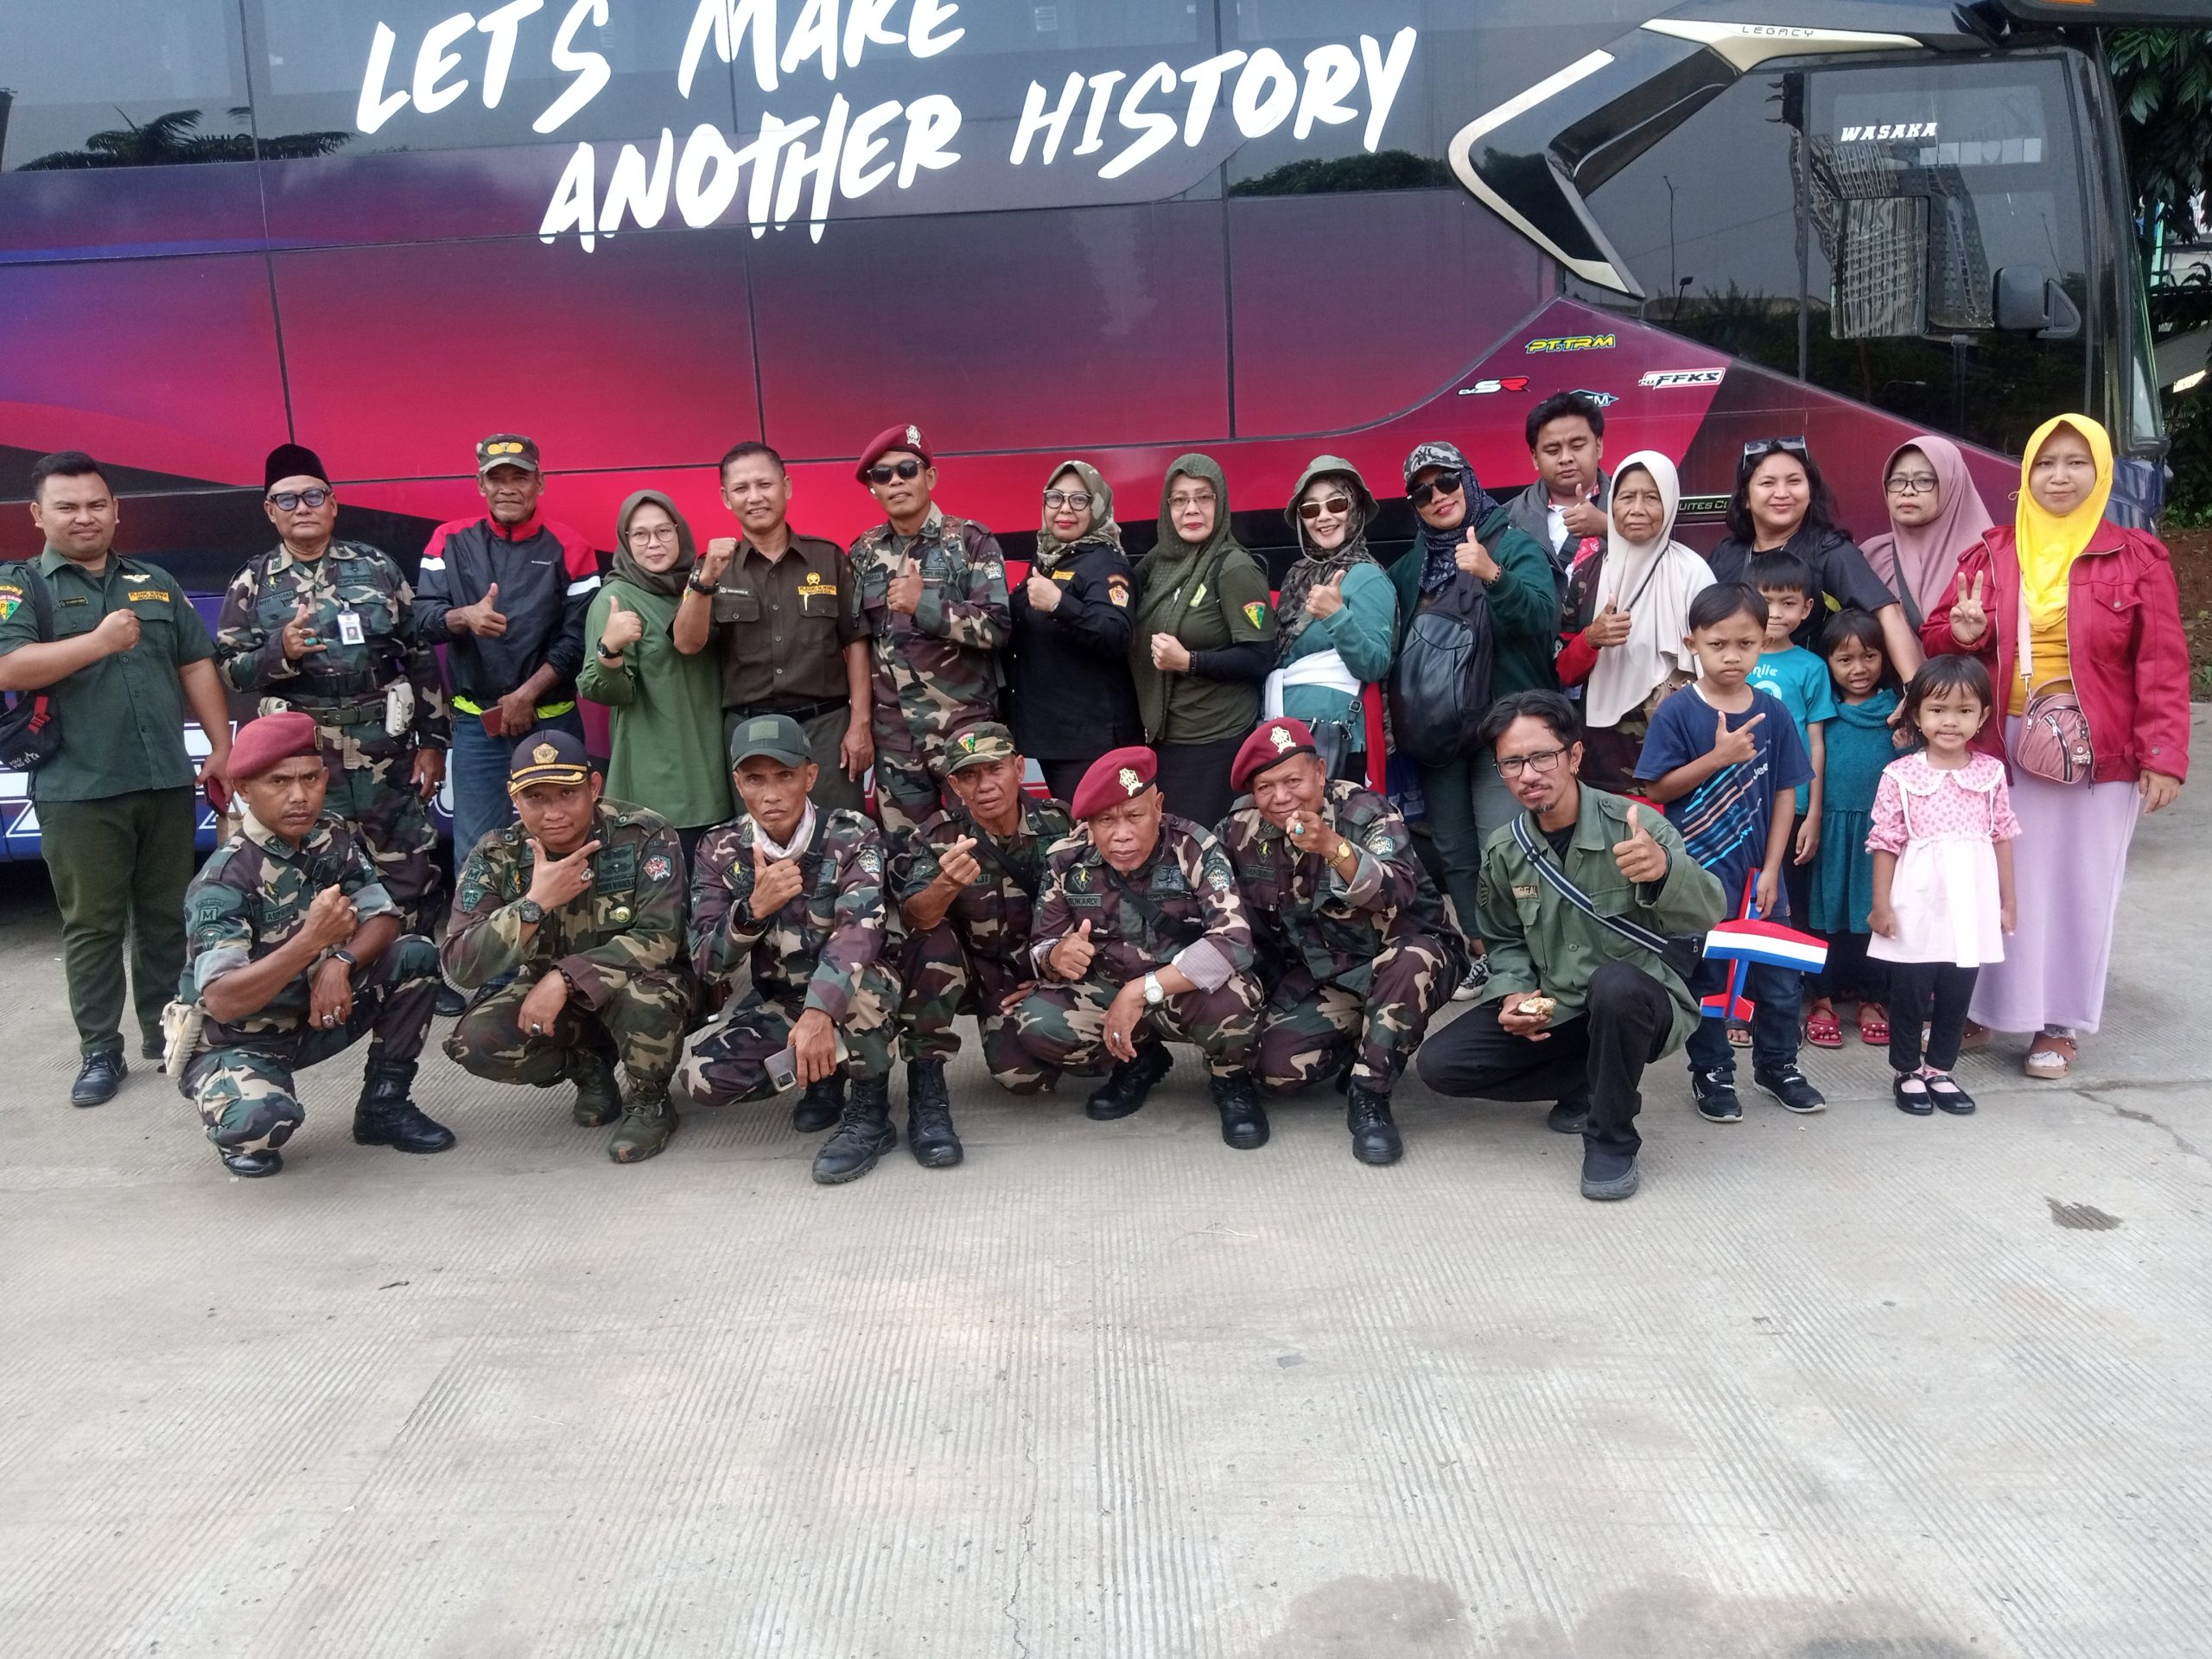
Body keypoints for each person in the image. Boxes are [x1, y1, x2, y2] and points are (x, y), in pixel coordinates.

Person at [1922, 413, 2190, 1079]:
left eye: (2076, 463)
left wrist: (2163, 754)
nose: (2060, 476)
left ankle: (2059, 1023)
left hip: (2096, 753)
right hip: (2000, 743)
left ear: (2101, 473)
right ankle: (1980, 1006)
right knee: (1991, 881)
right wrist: (1963, 632)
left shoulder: (2136, 557)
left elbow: (2162, 662)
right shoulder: (1990, 553)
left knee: (2077, 887)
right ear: (2026, 476)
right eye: (2046, 463)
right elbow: (1937, 639)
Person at [1415, 691, 1726, 1202]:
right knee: (1442, 1065)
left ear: (1575, 756)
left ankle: (1611, 1139)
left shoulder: (1635, 826)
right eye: (1512, 762)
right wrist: (1512, 994)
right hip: (1560, 1006)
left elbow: (1708, 911)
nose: (1528, 774)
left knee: (1616, 985)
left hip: (1642, 1005)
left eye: (1542, 757)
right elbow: (1505, 939)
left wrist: (1667, 871)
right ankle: (1590, 1081)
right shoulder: (1506, 849)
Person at [0, 450, 234, 1106]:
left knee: (165, 917)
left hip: (161, 780)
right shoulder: (21, 586)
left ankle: (167, 1036)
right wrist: (100, 641)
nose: (85, 517)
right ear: (38, 515)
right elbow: (10, 667)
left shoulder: (153, 581)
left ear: (116, 510)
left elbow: (195, 664)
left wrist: (219, 747)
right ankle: (100, 1051)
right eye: (68, 506)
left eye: (97, 504)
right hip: (78, 788)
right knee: (93, 924)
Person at [174, 712, 453, 1178]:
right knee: (261, 1128)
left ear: (325, 778)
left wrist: (340, 962)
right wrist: (310, 944)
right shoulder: (224, 880)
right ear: (244, 788)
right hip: (242, 1039)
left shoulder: (330, 835)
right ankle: (239, 1101)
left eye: (309, 778)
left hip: (317, 1014)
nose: (299, 796)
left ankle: (384, 1106)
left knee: (415, 953)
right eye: (278, 781)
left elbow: (383, 916)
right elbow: (222, 1001)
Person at [214, 443, 449, 940]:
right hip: (306, 758)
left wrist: (433, 743)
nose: (302, 507)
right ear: (270, 512)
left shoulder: (377, 567)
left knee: (409, 867)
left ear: (333, 503)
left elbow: (420, 653)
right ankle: (336, 972)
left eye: (313, 496)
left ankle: (415, 970)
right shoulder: (252, 583)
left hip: (385, 748)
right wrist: (280, 651)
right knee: (319, 871)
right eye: (287, 500)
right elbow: (233, 671)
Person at [1217, 717, 1464, 1165]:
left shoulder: (1366, 813)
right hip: (1331, 974)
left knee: (1412, 959)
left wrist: (1334, 847)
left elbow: (1398, 889)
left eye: (1293, 780)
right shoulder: (1241, 829)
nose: (1281, 797)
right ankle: (1363, 1043)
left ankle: (1370, 1096)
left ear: (1320, 773)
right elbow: (1199, 877)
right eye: (1266, 786)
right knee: (1276, 1073)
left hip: (1405, 959)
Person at [442, 731, 690, 1163]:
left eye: (567, 793)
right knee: (475, 1041)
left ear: (594, 788)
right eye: (535, 797)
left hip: (642, 985)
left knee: (646, 998)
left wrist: (565, 977)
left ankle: (650, 1101)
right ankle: (588, 1068)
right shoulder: (497, 854)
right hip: (554, 999)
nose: (553, 812)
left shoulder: (643, 835)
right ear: (514, 797)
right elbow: (461, 963)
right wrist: (535, 904)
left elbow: (660, 938)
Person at [677, 714, 905, 1184]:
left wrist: (820, 1014)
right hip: (783, 1001)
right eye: (755, 779)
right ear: (738, 782)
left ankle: (870, 1115)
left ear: (810, 775)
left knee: (862, 986)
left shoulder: (850, 834)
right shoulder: (719, 849)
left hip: (860, 991)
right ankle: (822, 1078)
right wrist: (752, 910)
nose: (771, 793)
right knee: (702, 1076)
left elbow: (858, 933)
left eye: (784, 775)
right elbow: (705, 962)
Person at [1633, 583, 1826, 1121]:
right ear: (1692, 642)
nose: (1733, 656)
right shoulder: (1677, 712)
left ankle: (1778, 1064)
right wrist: (1718, 758)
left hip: (1760, 881)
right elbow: (1657, 790)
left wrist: (1773, 869)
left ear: (1763, 643)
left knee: (1781, 984)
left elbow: (1787, 791)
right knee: (1707, 984)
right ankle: (1713, 1072)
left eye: (1746, 643)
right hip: (1695, 882)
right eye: (1719, 644)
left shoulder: (1774, 714)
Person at [1012, 747, 1268, 1147]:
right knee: (1039, 1020)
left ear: (1158, 805)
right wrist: (1056, 956)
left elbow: (1233, 941)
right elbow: (1040, 946)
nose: (1122, 834)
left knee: (1235, 1002)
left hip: (1181, 989)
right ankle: (1138, 1061)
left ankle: (1231, 1080)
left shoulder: (1194, 848)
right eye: (1106, 821)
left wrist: (1141, 990)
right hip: (1109, 988)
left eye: (1134, 816)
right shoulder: (1067, 861)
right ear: (1088, 824)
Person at [1384, 441, 1558, 953]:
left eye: (1447, 481)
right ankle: (1484, 951)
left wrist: (1492, 575)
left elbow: (1542, 622)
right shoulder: (1409, 569)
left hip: (1504, 727)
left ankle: (1527, 951)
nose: (1437, 496)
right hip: (1439, 735)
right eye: (1421, 492)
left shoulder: (1513, 544)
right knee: (1456, 850)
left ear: (1469, 479)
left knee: (1504, 844)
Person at [412, 434, 599, 860]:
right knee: (479, 852)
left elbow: (580, 640)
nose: (508, 488)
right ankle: (480, 929)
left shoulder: (571, 546)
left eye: (521, 476)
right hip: (480, 728)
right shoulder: (448, 540)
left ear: (540, 483)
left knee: (563, 841)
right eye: (497, 478)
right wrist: (464, 617)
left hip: (551, 722)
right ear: (481, 486)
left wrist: (526, 695)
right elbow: (423, 620)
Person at [674, 441, 872, 816]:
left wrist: (859, 724)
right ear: (725, 498)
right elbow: (686, 643)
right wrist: (705, 582)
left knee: (840, 839)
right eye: (741, 489)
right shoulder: (713, 566)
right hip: (750, 734)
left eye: (764, 485)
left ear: (787, 487)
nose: (754, 497)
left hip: (826, 731)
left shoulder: (828, 558)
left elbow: (857, 642)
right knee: (759, 848)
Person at [894, 721, 1078, 1120]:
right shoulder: (940, 836)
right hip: (975, 971)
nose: (984, 785)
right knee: (930, 942)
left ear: (1018, 768)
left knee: (1025, 1079)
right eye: (969, 775)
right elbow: (914, 916)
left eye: (995, 769)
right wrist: (945, 885)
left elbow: (1095, 911)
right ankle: (926, 1080)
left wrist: (1052, 972)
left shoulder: (1060, 825)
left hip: (1040, 964)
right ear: (955, 786)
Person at [1867, 656, 2020, 1116]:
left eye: (1964, 710)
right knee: (1912, 986)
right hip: (1917, 895)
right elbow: (1885, 842)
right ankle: (1907, 1070)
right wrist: (1880, 906)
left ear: (1983, 716)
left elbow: (2002, 837)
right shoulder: (1901, 776)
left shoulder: (1991, 773)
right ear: (1916, 714)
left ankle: (1940, 1068)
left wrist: (2008, 902)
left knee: (1959, 985)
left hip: (1971, 898)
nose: (1950, 721)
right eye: (1937, 710)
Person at [845, 423, 1011, 846]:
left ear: (930, 477)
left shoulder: (971, 541)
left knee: (984, 848)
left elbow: (998, 627)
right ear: (873, 490)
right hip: (895, 740)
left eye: (907, 469)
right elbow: (857, 641)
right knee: (908, 859)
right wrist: (860, 722)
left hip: (965, 734)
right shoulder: (863, 552)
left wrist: (926, 606)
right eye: (883, 476)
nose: (896, 481)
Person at [577, 491, 733, 868]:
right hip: (658, 781)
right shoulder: (616, 598)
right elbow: (604, 690)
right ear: (626, 542)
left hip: (717, 768)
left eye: (664, 531)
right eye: (640, 534)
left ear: (680, 533)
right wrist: (609, 650)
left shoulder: (704, 587)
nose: (654, 544)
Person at [1129, 454, 1277, 829]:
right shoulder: (1158, 563)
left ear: (1221, 503)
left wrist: (1189, 661)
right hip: (1166, 739)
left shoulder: (1234, 567)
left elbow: (1260, 657)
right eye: (1180, 500)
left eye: (1204, 497)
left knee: (1204, 853)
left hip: (1216, 743)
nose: (1191, 509)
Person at [1554, 451, 1713, 792]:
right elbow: (1563, 671)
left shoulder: (1693, 573)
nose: (1637, 509)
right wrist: (1591, 638)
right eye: (1626, 497)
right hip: (1602, 754)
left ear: (1670, 502)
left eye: (1652, 497)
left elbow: (1718, 661)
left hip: (1676, 749)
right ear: (1611, 504)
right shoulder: (1588, 574)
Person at [1708, 438, 1922, 680]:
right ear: (1746, 498)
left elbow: (1887, 612)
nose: (1782, 493)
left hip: (1811, 704)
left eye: (1794, 481)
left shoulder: (1829, 551)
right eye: (1768, 483)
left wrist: (1913, 689)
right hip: (1731, 697)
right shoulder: (1727, 553)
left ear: (1810, 492)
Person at [1007, 459, 1142, 802]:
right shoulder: (1050, 558)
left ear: (1096, 506)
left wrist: (1059, 604)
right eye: (1055, 498)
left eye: (1078, 500)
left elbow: (1116, 635)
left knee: (1097, 838)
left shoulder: (1106, 563)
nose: (1064, 509)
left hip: (1090, 742)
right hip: (1055, 738)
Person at [1803, 610, 1903, 1050]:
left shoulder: (1898, 715)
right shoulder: (1823, 713)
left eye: (1869, 656)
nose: (1858, 669)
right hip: (1830, 828)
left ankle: (1872, 999)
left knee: (1874, 913)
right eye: (1844, 660)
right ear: (1827, 661)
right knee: (1822, 914)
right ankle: (1821, 999)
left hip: (1879, 835)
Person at [1270, 458, 1396, 782]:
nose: (1323, 517)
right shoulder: (1297, 576)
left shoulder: (1367, 577)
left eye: (1336, 504)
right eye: (1310, 509)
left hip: (1340, 743)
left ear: (1354, 509)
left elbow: (1375, 664)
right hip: (1289, 739)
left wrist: (1336, 616)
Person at [1746, 554, 1838, 939]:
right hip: (1742, 799)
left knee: (1786, 895)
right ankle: (1740, 983)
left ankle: (1786, 984)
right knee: (1743, 889)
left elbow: (1815, 742)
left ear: (1807, 608)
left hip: (1794, 800)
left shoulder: (1811, 667)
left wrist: (1814, 812)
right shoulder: (1734, 657)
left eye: (1788, 603)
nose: (1776, 613)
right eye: (1766, 600)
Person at [1859, 435, 1995, 628]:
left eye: (1923, 480)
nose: (1907, 491)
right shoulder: (1872, 555)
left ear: (1951, 485)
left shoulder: (1988, 559)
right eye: (1897, 480)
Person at [1502, 391, 1613, 589]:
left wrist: (1608, 527)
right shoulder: (1507, 519)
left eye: (1577, 446)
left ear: (1599, 447)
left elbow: (1656, 557)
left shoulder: (1629, 506)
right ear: (1535, 458)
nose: (1565, 458)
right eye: (1553, 451)